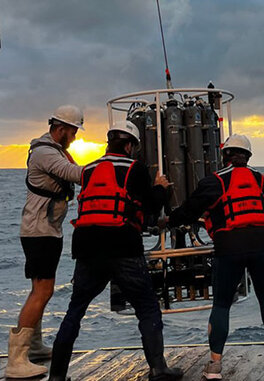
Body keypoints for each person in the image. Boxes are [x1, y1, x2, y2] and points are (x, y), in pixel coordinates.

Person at [48, 121, 183, 381]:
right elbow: (151, 209)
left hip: (86, 247)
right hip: (123, 246)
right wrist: (161, 189)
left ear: (109, 142)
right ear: (130, 145)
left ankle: (56, 376)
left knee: (75, 310)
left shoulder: (88, 169)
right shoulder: (135, 168)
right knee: (146, 306)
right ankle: (158, 369)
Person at [167, 134, 264, 380]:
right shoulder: (259, 179)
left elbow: (190, 210)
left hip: (230, 247)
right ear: (248, 156)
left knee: (222, 304)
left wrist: (169, 220)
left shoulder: (214, 181)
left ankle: (215, 366)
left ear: (224, 155)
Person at [6, 105, 84, 379]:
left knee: (38, 290)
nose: (74, 136)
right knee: (43, 291)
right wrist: (110, 168)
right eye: (73, 131)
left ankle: (35, 347)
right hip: (40, 232)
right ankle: (15, 360)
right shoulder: (44, 153)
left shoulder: (55, 151)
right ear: (61, 128)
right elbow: (77, 175)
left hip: (44, 230)